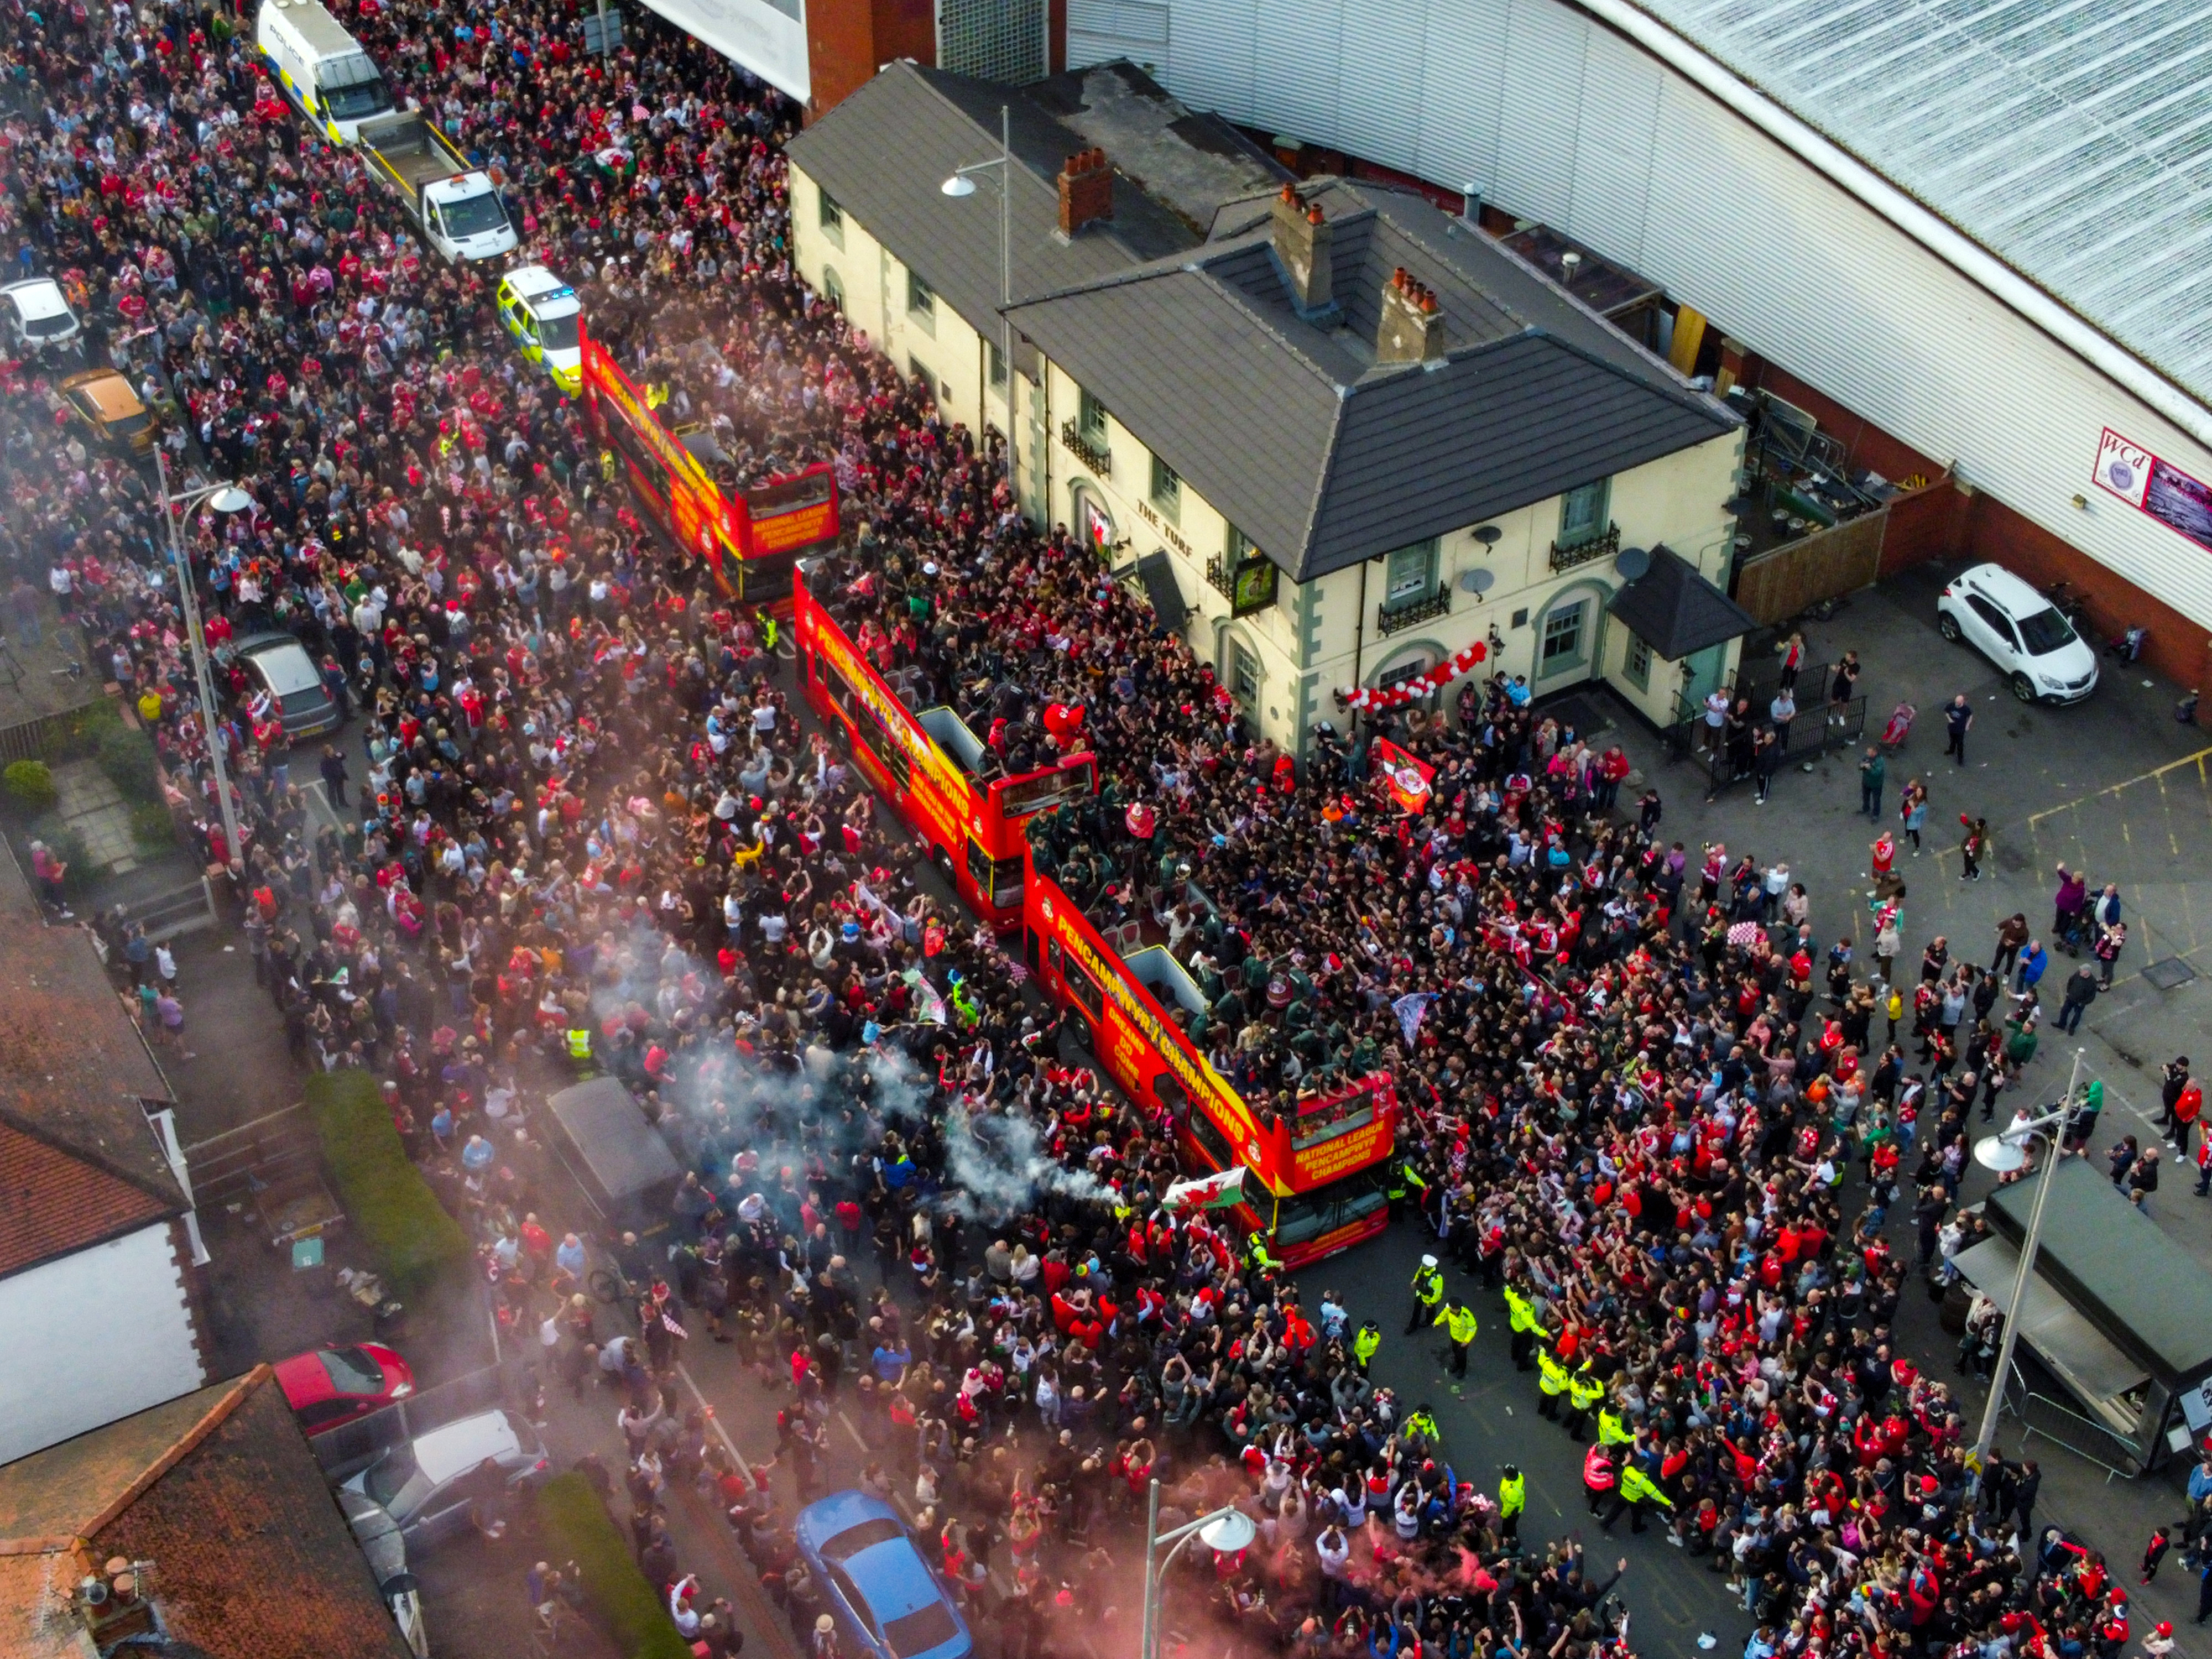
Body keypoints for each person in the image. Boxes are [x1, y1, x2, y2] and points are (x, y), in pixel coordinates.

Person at [1944, 692, 1974, 764]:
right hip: (1952, 728)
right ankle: (1951, 750)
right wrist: (1949, 719)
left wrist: (1967, 725)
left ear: (1962, 702)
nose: (1956, 703)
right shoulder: (1951, 705)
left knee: (1960, 745)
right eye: (1956, 702)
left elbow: (1970, 716)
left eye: (1958, 702)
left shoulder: (1965, 709)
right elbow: (1947, 712)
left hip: (1960, 730)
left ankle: (1960, 759)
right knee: (1952, 741)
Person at [1859, 747, 1886, 820]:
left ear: (1875, 753)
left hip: (1876, 784)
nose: (1867, 754)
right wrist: (1861, 766)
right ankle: (1866, 808)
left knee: (1876, 799)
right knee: (1865, 796)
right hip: (1866, 782)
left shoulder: (1880, 761)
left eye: (1869, 752)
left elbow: (1877, 773)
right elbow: (1860, 764)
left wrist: (1870, 768)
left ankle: (1876, 814)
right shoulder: (1866, 757)